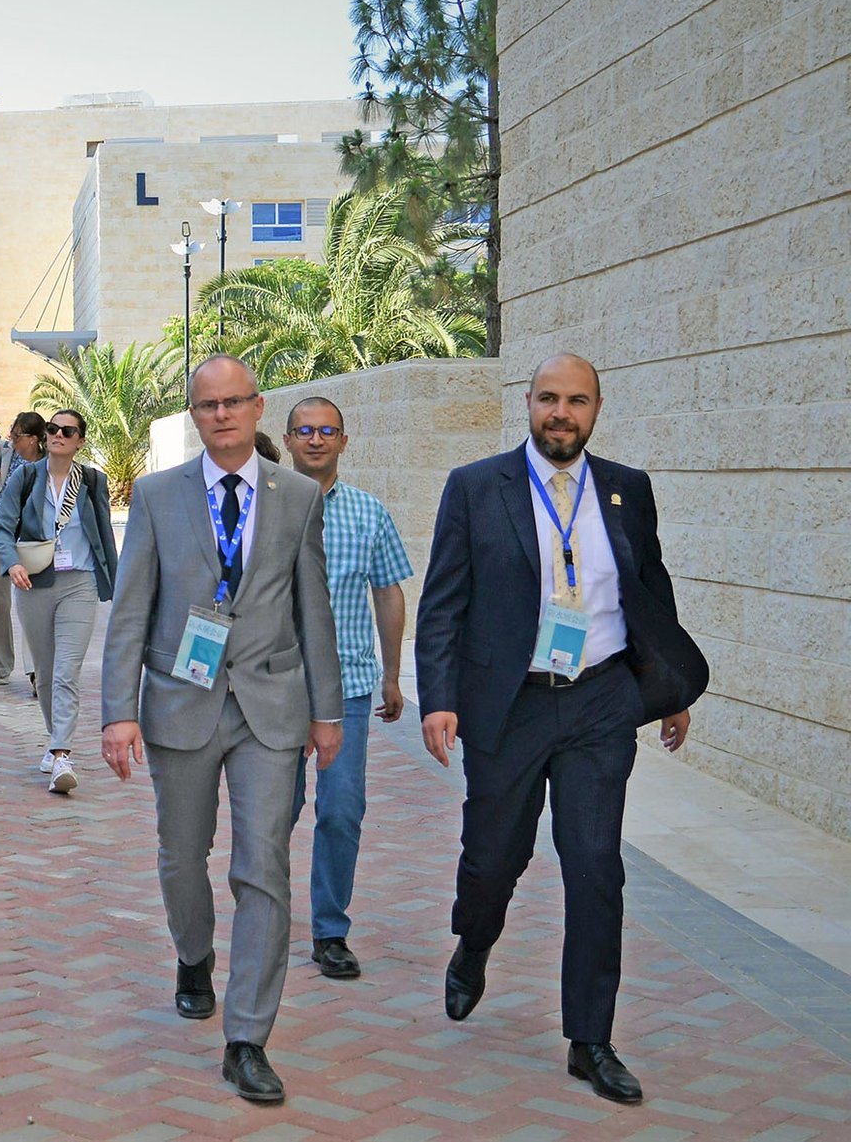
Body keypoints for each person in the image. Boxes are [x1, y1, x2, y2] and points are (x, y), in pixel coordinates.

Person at [416, 353, 707, 1105]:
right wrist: (438, 697)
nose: (561, 413)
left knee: (594, 866)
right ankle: (474, 941)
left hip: (599, 700)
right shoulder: (478, 487)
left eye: (577, 401)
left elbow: (652, 588)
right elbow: (442, 602)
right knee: (493, 855)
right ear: (528, 401)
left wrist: (670, 686)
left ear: (597, 408)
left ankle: (590, 1038)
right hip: (507, 703)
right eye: (549, 398)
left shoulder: (627, 489)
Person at [100, 354, 343, 1105]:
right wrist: (118, 709)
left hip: (270, 705)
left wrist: (326, 711)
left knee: (263, 862)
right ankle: (192, 954)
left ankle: (247, 1037)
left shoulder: (298, 494)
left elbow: (314, 607)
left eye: (236, 401)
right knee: (182, 854)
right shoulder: (155, 495)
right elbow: (132, 607)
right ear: (194, 414)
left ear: (259, 406)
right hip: (181, 700)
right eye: (208, 405)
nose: (223, 415)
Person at [280, 398, 413, 980]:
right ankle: (265, 917)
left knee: (342, 811)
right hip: (277, 689)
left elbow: (388, 592)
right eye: (304, 431)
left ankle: (330, 930)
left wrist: (391, 673)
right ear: (286, 440)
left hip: (351, 688)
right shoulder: (263, 508)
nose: (315, 440)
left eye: (326, 431)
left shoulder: (368, 513)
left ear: (344, 440)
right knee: (273, 813)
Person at [0, 408, 116, 795]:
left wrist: (116, 579)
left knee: (66, 671)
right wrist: (11, 565)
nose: (58, 434)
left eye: (68, 430)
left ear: (80, 440)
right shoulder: (27, 477)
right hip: (34, 584)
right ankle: (53, 739)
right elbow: (2, 526)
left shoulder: (93, 481)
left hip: (79, 582)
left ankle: (62, 753)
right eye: (52, 429)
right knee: (44, 674)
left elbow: (105, 533)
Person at [0, 413, 45, 688]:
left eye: (18, 436)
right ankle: (2, 667)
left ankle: (36, 670)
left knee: (34, 606)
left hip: (29, 541)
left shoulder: (48, 462)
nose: (12, 441)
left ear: (34, 439)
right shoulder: (4, 451)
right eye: (12, 435)